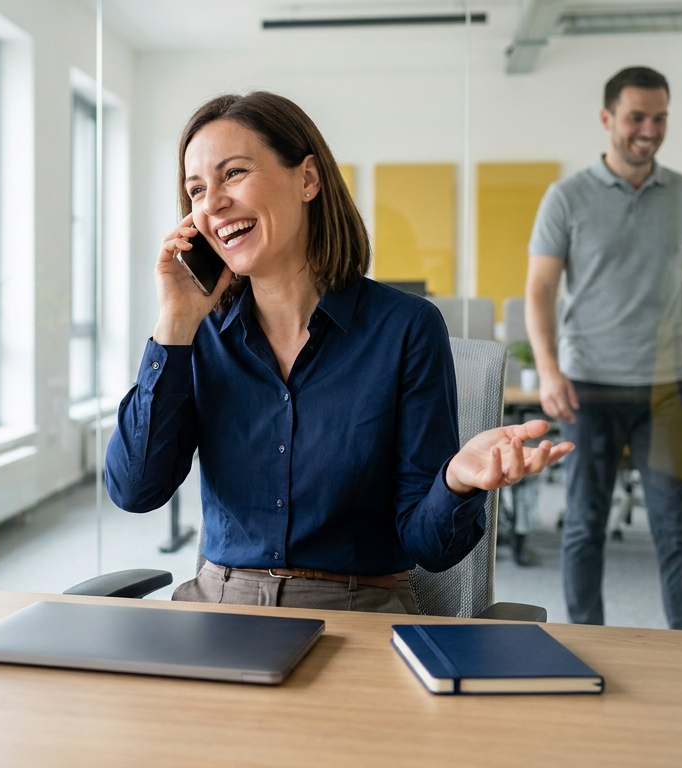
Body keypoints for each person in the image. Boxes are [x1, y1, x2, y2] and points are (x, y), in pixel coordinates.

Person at [105, 91, 572, 614]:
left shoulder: (406, 328)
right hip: (219, 605)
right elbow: (134, 490)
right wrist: (174, 322)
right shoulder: (199, 334)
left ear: (307, 178)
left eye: (233, 173)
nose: (211, 203)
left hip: (356, 612)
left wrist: (455, 482)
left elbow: (429, 547)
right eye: (196, 189)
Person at [525, 66, 682, 632]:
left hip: (667, 387)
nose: (649, 129)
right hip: (587, 387)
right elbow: (539, 291)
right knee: (585, 525)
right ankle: (587, 639)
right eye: (636, 117)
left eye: (660, 117)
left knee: (676, 526)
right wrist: (548, 371)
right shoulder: (566, 197)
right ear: (607, 119)